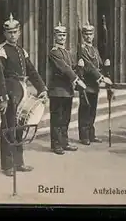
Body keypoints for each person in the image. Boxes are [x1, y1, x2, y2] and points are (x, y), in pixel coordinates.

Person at [0, 14, 48, 176]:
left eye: (15, 32)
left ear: (19, 32)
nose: (12, 35)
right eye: (9, 32)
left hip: (22, 91)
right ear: (5, 33)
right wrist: (2, 97)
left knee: (20, 126)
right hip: (8, 93)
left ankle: (19, 162)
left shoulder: (21, 51)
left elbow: (32, 71)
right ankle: (7, 165)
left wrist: (41, 88)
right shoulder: (0, 51)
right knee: (8, 127)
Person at [48, 22, 87, 155]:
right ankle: (56, 144)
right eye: (59, 35)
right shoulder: (54, 52)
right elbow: (64, 68)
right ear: (55, 36)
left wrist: (80, 66)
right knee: (57, 119)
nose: (62, 37)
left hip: (67, 90)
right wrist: (76, 79)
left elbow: (72, 67)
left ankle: (64, 142)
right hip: (57, 90)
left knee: (66, 118)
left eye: (64, 35)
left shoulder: (67, 52)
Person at [77, 22, 113, 145]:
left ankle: (91, 134)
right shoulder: (82, 50)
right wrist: (102, 77)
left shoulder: (95, 50)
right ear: (83, 35)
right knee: (85, 111)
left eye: (91, 34)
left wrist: (105, 65)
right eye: (86, 34)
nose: (88, 36)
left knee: (92, 111)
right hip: (86, 84)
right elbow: (89, 66)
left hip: (94, 86)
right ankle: (84, 136)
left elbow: (98, 65)